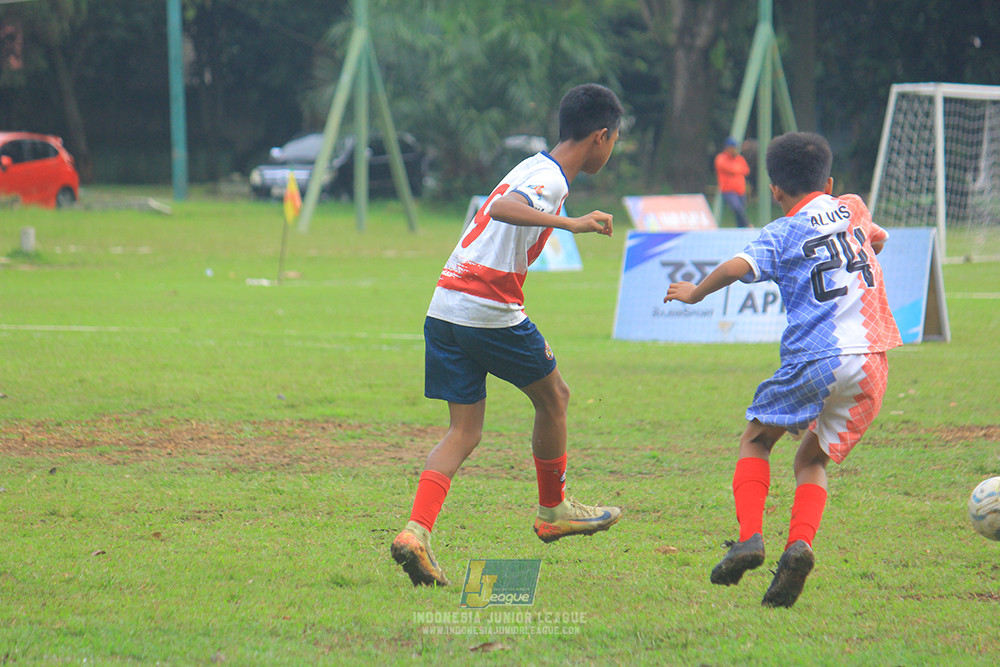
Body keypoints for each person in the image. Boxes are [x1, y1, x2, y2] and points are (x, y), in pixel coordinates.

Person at [391, 84, 625, 587]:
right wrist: (573, 223)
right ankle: (553, 510)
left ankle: (415, 532)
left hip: (445, 307)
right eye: (615, 140)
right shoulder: (550, 179)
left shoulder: (530, 164)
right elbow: (503, 210)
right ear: (601, 137)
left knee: (464, 431)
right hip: (486, 307)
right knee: (555, 396)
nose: (612, 149)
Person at [665, 131, 902, 608]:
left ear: (774, 190)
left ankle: (750, 537)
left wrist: (694, 293)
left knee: (756, 438)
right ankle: (800, 545)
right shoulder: (853, 206)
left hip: (818, 356)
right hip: (875, 359)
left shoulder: (780, 232)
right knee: (811, 460)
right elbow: (878, 241)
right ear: (829, 181)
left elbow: (736, 268)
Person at [715, 137, 752, 228]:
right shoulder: (721, 158)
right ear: (728, 148)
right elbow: (729, 168)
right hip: (728, 190)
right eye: (733, 147)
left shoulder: (739, 158)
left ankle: (741, 230)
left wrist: (736, 169)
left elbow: (746, 170)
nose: (735, 150)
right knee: (737, 208)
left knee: (740, 212)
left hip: (740, 190)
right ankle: (748, 225)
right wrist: (737, 168)